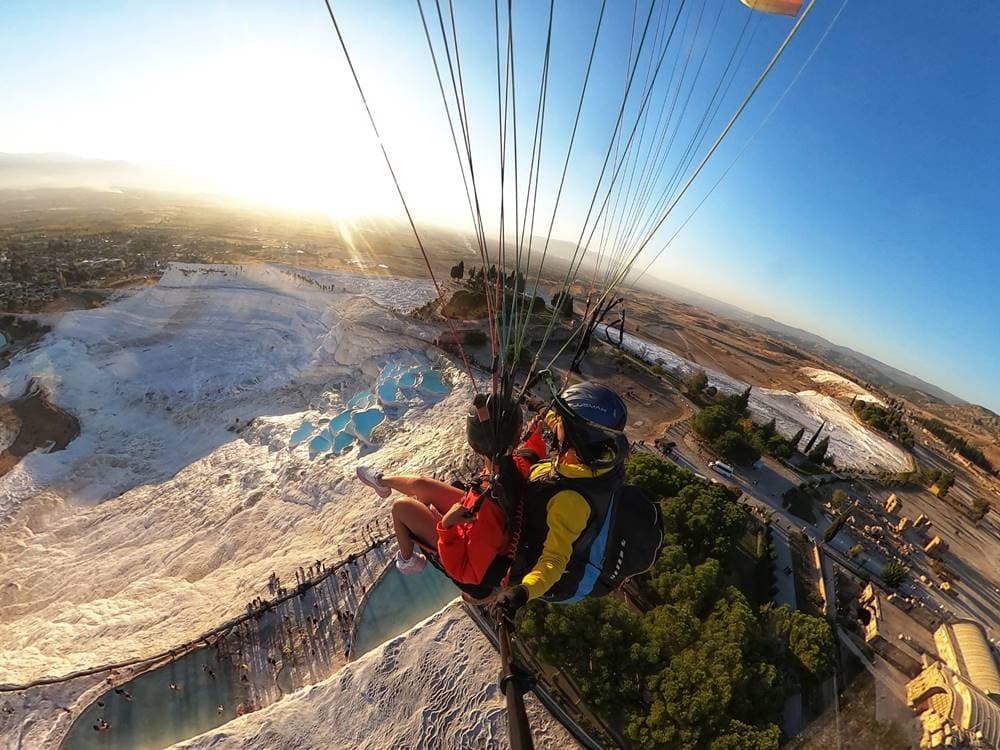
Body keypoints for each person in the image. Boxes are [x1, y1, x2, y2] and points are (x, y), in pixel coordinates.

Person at [357, 393, 544, 600]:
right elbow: (531, 453)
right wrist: (536, 434)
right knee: (422, 485)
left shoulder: (488, 505)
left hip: (472, 573)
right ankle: (381, 481)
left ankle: (408, 560)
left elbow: (467, 571)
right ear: (516, 438)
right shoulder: (508, 467)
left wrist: (446, 526)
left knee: (401, 507)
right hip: (483, 515)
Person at [495, 381, 631, 613]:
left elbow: (554, 561)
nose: (556, 422)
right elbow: (563, 424)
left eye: (562, 421)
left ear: (575, 434)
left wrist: (521, 593)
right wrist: (539, 406)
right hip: (550, 501)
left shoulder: (571, 500)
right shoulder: (595, 454)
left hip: (553, 576)